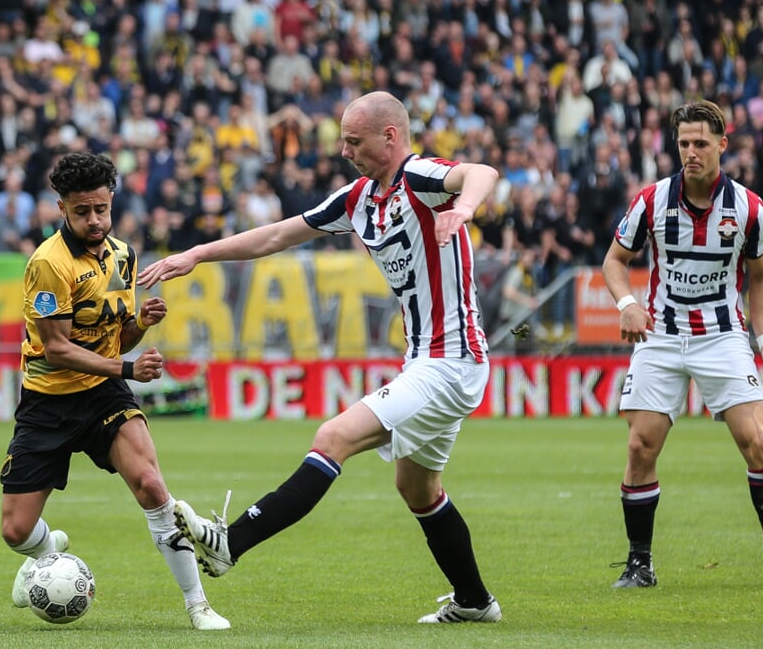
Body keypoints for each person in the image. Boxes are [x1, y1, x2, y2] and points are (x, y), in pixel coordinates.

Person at [137, 91, 503, 624]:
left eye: (354, 140)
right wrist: (197, 254)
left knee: (333, 437)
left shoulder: (419, 177)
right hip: (426, 360)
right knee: (417, 487)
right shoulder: (358, 199)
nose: (344, 150)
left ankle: (228, 544)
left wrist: (464, 209)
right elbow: (279, 235)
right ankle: (475, 602)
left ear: (390, 137)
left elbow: (483, 171)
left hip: (452, 360)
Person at [0, 152, 229, 631]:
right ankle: (46, 551)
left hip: (104, 394)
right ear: (61, 209)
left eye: (101, 209)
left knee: (151, 487)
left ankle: (198, 605)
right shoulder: (48, 265)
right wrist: (127, 366)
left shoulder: (122, 254)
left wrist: (140, 324)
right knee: (15, 531)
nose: (94, 220)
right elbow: (58, 349)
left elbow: (118, 332)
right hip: (49, 400)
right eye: (82, 211)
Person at [602, 100, 763, 589]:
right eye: (683, 144)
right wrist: (626, 304)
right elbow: (615, 260)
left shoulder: (748, 208)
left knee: (756, 441)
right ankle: (639, 564)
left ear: (722, 144)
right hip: (660, 335)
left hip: (722, 335)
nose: (691, 153)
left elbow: (760, 278)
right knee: (640, 446)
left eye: (700, 143)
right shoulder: (651, 200)